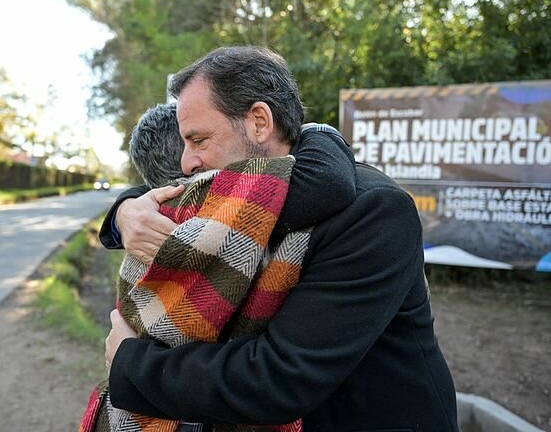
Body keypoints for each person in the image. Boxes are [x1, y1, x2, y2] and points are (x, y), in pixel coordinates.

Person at [100, 46, 459, 431]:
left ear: (258, 123)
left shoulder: (375, 213)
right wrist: (125, 212)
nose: (186, 163)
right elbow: (163, 190)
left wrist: (131, 361)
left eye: (198, 140)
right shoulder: (231, 198)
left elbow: (281, 378)